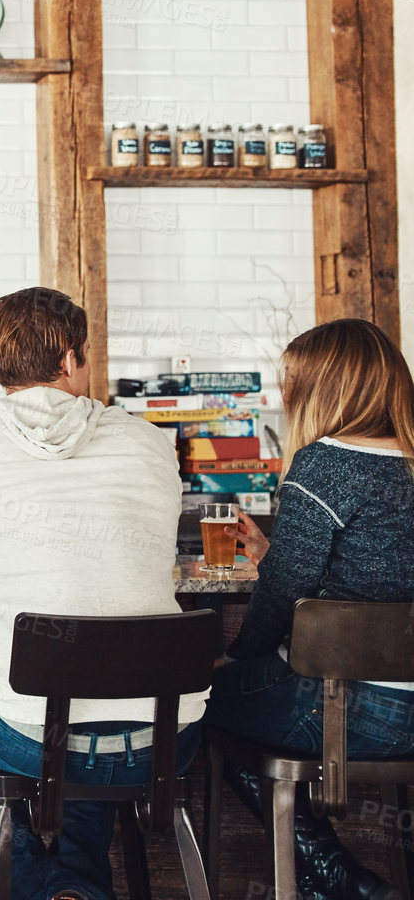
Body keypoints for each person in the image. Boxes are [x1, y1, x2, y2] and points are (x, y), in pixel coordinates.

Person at [0, 286, 206, 900]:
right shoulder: (153, 441)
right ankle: (71, 885)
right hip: (167, 736)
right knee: (79, 717)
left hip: (26, 734)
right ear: (72, 360)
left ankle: (40, 883)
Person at [209, 318, 414, 900]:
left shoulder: (326, 462)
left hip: (345, 709)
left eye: (292, 382)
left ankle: (341, 878)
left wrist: (234, 656)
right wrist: (277, 555)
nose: (285, 395)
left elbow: (279, 601)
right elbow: (377, 573)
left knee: (197, 706)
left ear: (324, 389)